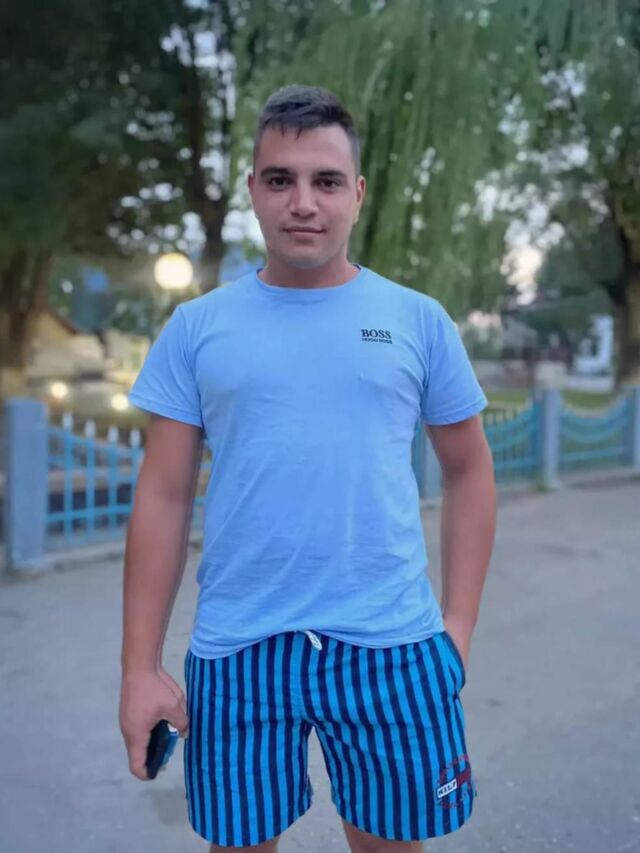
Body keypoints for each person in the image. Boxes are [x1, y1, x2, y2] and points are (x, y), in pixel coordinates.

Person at [119, 84, 496, 853]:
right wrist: (139, 668)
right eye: (280, 179)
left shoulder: (417, 320)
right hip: (239, 648)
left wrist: (456, 625)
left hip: (390, 644)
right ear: (253, 190)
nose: (303, 202)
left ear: (357, 192)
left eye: (325, 181)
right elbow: (162, 496)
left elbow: (469, 472)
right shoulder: (198, 328)